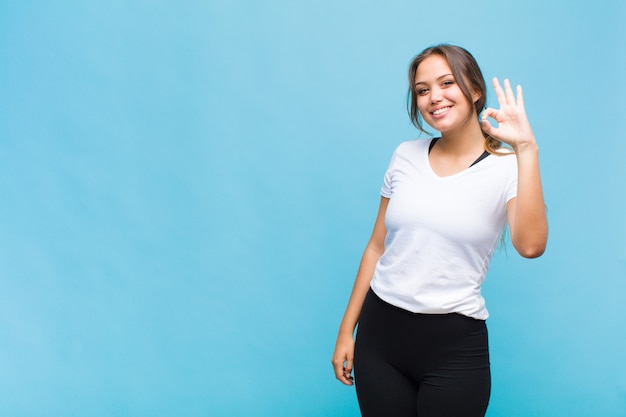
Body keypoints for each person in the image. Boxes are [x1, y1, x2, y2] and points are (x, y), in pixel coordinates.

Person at [331, 44, 548, 417]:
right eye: (422, 89)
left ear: (475, 90)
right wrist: (345, 331)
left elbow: (530, 246)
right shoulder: (405, 155)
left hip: (453, 346)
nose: (434, 97)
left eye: (447, 82)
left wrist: (527, 149)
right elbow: (376, 247)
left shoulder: (507, 168)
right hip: (380, 337)